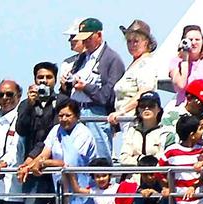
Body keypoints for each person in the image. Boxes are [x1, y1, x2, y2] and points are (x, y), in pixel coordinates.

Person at [19, 99, 98, 204]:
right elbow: (45, 152)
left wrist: (43, 163)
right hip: (61, 186)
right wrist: (30, 166)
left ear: (77, 116)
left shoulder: (83, 134)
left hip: (80, 186)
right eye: (61, 116)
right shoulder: (56, 130)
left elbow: (69, 163)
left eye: (68, 115)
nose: (64, 119)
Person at [15, 62, 69, 204]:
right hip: (33, 170)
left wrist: (36, 158)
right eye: (40, 78)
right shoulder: (26, 103)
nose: (44, 81)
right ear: (34, 80)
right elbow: (21, 130)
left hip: (55, 167)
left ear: (54, 79)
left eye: (48, 77)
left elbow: (52, 134)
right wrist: (30, 106)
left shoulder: (62, 103)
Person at [64, 18, 126, 160]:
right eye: (82, 39)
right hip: (77, 110)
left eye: (88, 39)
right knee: (75, 157)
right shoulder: (82, 58)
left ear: (99, 35)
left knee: (100, 157)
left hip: (96, 113)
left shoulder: (112, 59)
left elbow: (109, 95)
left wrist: (86, 87)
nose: (85, 42)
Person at [108, 20, 161, 134]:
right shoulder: (135, 64)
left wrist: (121, 111)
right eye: (129, 41)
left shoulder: (146, 64)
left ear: (146, 42)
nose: (132, 45)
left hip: (136, 121)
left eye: (136, 41)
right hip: (126, 121)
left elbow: (144, 92)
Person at [169, 24, 203, 107]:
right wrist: (185, 59)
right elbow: (181, 85)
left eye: (197, 39)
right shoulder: (176, 62)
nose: (194, 43)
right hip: (185, 108)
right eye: (190, 40)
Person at [119, 92, 176, 166]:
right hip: (133, 176)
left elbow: (166, 159)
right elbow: (123, 159)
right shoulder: (131, 132)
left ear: (158, 109)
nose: (146, 108)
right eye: (143, 105)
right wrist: (142, 160)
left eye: (151, 105)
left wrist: (136, 159)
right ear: (138, 109)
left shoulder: (166, 133)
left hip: (157, 176)